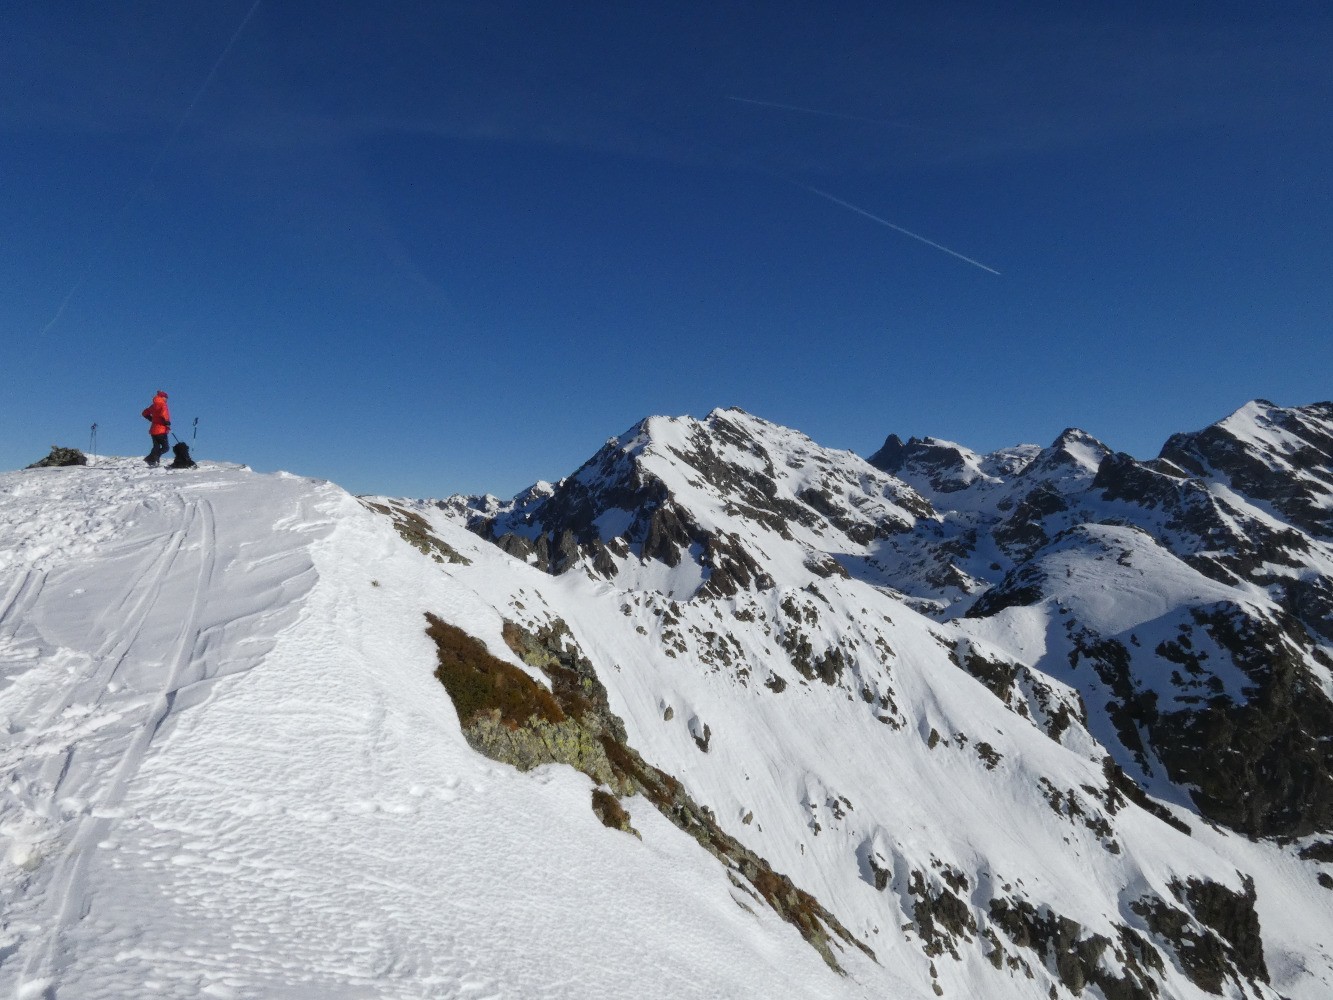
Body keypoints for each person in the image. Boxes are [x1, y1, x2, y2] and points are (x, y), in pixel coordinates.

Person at [142, 389, 171, 466]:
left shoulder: (153, 405)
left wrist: (150, 418)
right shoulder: (163, 405)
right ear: (162, 397)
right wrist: (167, 423)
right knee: (165, 448)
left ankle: (153, 461)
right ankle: (151, 458)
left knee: (156, 447)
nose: (167, 400)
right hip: (161, 429)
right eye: (166, 398)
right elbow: (165, 414)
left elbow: (144, 413)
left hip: (153, 430)